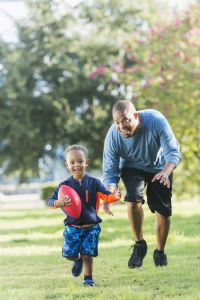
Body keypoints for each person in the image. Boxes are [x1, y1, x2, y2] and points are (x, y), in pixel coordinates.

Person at [102, 100, 181, 268]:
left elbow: (173, 152)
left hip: (159, 167)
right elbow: (110, 172)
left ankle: (159, 252)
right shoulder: (113, 135)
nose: (121, 126)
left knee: (163, 210)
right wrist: (109, 191)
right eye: (117, 122)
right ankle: (139, 245)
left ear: (135, 116)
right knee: (132, 198)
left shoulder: (156, 121)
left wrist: (165, 173)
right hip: (132, 166)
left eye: (125, 120)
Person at [48, 144, 121, 287]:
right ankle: (77, 260)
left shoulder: (94, 183)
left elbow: (106, 196)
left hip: (91, 226)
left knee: (88, 254)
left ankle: (88, 279)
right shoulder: (64, 186)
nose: (77, 165)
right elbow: (50, 202)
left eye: (80, 161)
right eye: (72, 162)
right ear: (67, 165)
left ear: (86, 162)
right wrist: (58, 202)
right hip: (72, 227)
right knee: (69, 254)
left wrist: (115, 197)